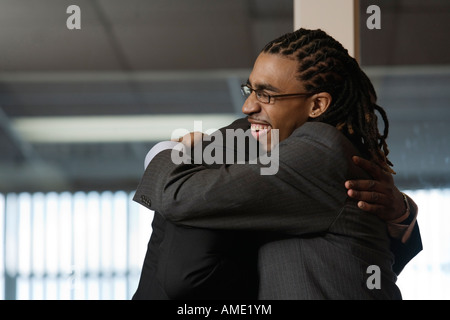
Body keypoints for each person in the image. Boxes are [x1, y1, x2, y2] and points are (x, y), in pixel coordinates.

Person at [133, 28, 422, 299]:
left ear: (317, 105)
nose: (248, 106)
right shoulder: (279, 150)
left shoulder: (321, 148)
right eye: (251, 90)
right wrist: (402, 217)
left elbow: (180, 196)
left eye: (266, 94)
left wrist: (169, 149)